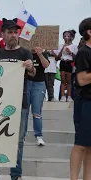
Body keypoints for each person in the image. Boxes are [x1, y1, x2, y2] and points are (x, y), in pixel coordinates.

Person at [0, 18, 36, 180]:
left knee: (18, 141)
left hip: (20, 103)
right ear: (3, 35)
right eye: (10, 32)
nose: (14, 35)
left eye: (16, 32)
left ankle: (16, 174)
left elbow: (33, 74)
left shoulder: (25, 53)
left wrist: (30, 67)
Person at [70, 17, 91, 180]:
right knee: (80, 145)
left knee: (90, 147)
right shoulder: (84, 52)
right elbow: (82, 79)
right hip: (85, 102)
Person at [24, 47, 49, 146]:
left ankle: (38, 136)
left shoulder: (43, 52)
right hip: (26, 83)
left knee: (37, 111)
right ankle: (23, 135)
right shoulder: (24, 52)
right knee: (24, 111)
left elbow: (46, 65)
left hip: (39, 84)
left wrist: (40, 54)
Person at [56, 30, 78, 102]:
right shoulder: (61, 45)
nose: (66, 37)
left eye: (68, 36)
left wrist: (70, 52)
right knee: (63, 80)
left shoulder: (74, 46)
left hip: (69, 63)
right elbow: (58, 57)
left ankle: (69, 96)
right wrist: (63, 48)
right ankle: (62, 96)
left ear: (72, 37)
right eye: (65, 36)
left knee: (69, 81)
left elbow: (76, 57)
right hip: (62, 62)